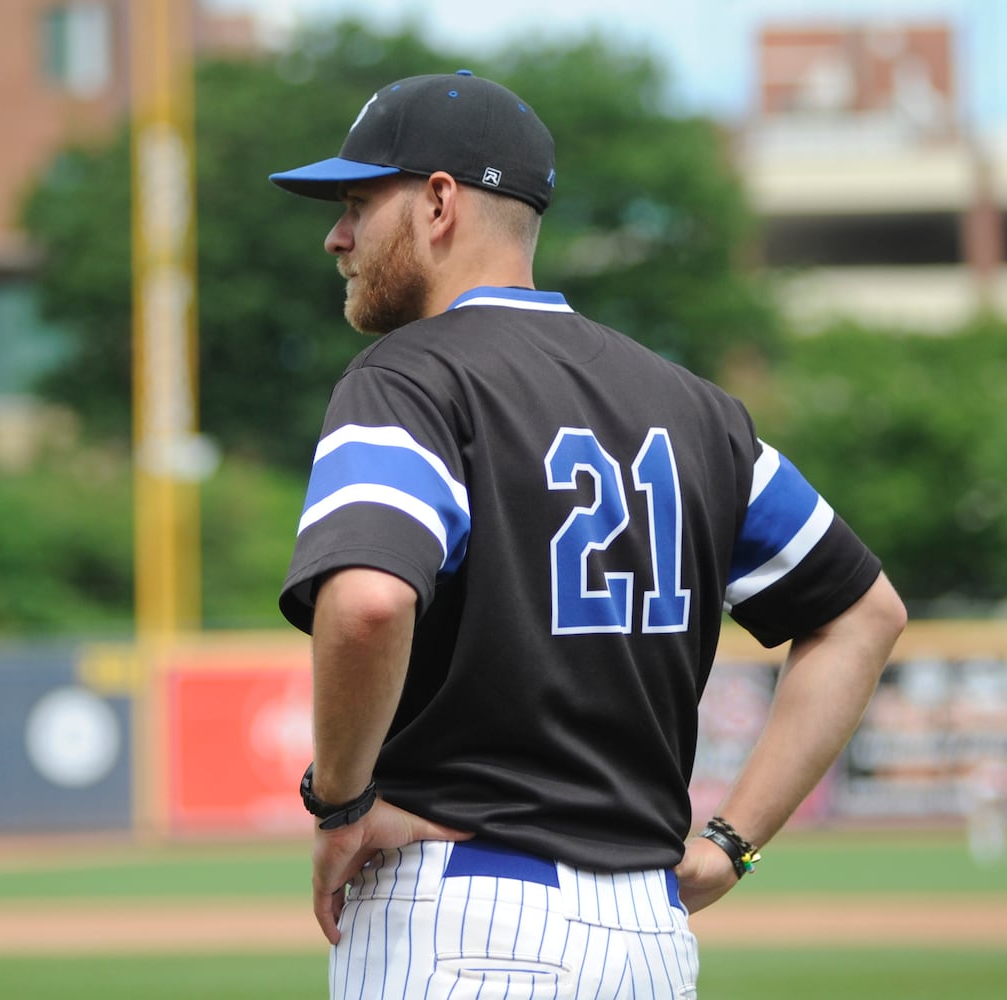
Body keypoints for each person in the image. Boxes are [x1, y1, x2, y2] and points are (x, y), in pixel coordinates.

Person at [270, 70, 907, 999]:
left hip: (461, 921)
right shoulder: (693, 408)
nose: (337, 235)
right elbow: (865, 614)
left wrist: (341, 804)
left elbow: (368, 604)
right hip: (649, 936)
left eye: (360, 202)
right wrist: (731, 844)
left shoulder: (407, 379)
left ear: (439, 201)